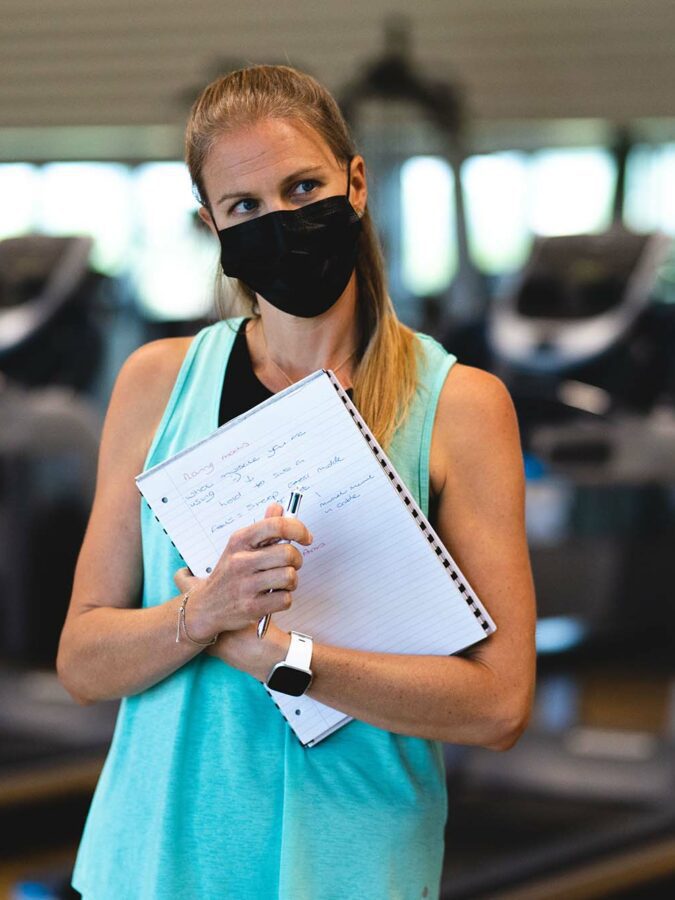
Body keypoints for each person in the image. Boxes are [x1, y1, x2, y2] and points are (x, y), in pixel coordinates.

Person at [57, 64, 536, 900]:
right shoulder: (156, 383)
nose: (278, 221)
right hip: (154, 857)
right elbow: (83, 662)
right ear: (210, 223)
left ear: (354, 183)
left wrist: (287, 658)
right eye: (244, 207)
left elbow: (497, 706)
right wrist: (200, 613)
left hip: (348, 863)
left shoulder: (459, 405)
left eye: (302, 186)